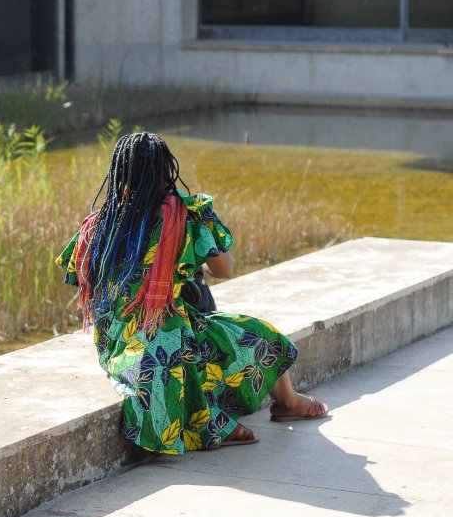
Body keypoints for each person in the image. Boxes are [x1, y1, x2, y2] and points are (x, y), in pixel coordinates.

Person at [56, 132, 328, 453]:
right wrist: (191, 252)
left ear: (119, 172)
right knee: (253, 336)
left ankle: (226, 418)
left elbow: (84, 278)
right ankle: (286, 404)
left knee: (177, 348)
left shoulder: (99, 223)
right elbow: (224, 269)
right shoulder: (184, 214)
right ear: (167, 170)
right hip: (164, 329)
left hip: (113, 341)